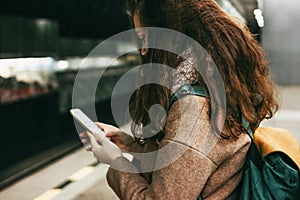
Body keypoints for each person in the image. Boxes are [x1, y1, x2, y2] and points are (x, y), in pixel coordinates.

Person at [80, 0, 279, 199]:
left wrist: (115, 162)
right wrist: (131, 145)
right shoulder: (215, 86)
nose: (142, 50)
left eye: (144, 37)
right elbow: (187, 162)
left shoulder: (193, 109)